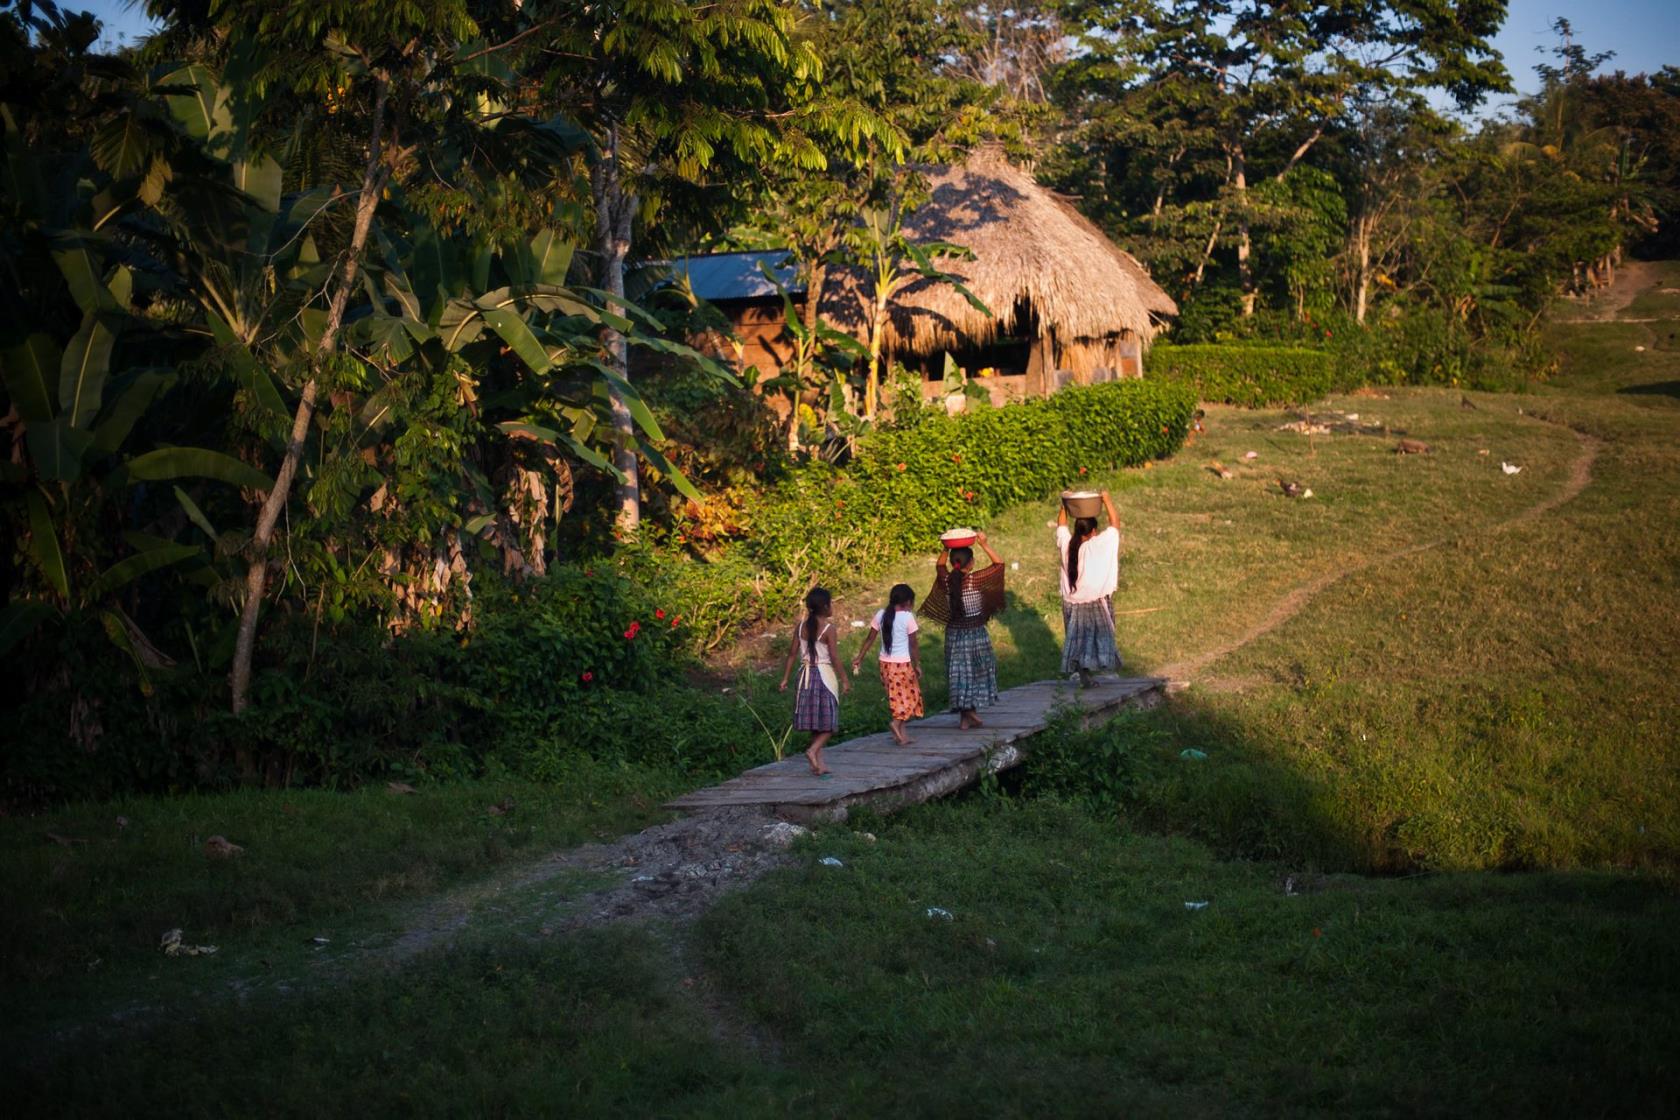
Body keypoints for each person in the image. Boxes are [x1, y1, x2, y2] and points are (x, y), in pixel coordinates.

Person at [920, 531, 1006, 730]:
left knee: (959, 673)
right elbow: (999, 565)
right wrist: (984, 544)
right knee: (976, 671)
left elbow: (939, 566)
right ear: (972, 563)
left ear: (953, 563)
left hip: (954, 636)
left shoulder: (947, 580)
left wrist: (945, 548)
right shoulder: (976, 579)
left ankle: (965, 718)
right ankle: (970, 713)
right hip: (975, 634)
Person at [779, 586, 849, 776]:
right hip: (823, 676)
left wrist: (785, 678)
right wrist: (844, 679)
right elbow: (834, 657)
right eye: (831, 604)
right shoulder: (828, 629)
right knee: (828, 723)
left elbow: (792, 654)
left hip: (804, 677)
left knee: (814, 721)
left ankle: (818, 763)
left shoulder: (801, 627)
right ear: (825, 607)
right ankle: (812, 751)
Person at [1056, 490, 1123, 687]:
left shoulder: (1067, 544)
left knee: (1077, 641)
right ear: (1093, 531)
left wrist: (1065, 504)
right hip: (1094, 603)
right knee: (1096, 639)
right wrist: (1107, 500)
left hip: (1072, 605)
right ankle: (1094, 672)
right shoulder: (1098, 545)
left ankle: (1084, 676)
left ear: (1076, 530)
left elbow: (1061, 525)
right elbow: (1115, 524)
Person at [850, 583, 923, 746]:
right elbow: (914, 644)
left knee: (897, 698)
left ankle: (902, 735)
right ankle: (896, 725)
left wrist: (860, 657)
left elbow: (870, 638)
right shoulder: (907, 617)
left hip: (885, 664)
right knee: (909, 698)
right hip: (902, 665)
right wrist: (918, 664)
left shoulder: (881, 614)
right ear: (908, 602)